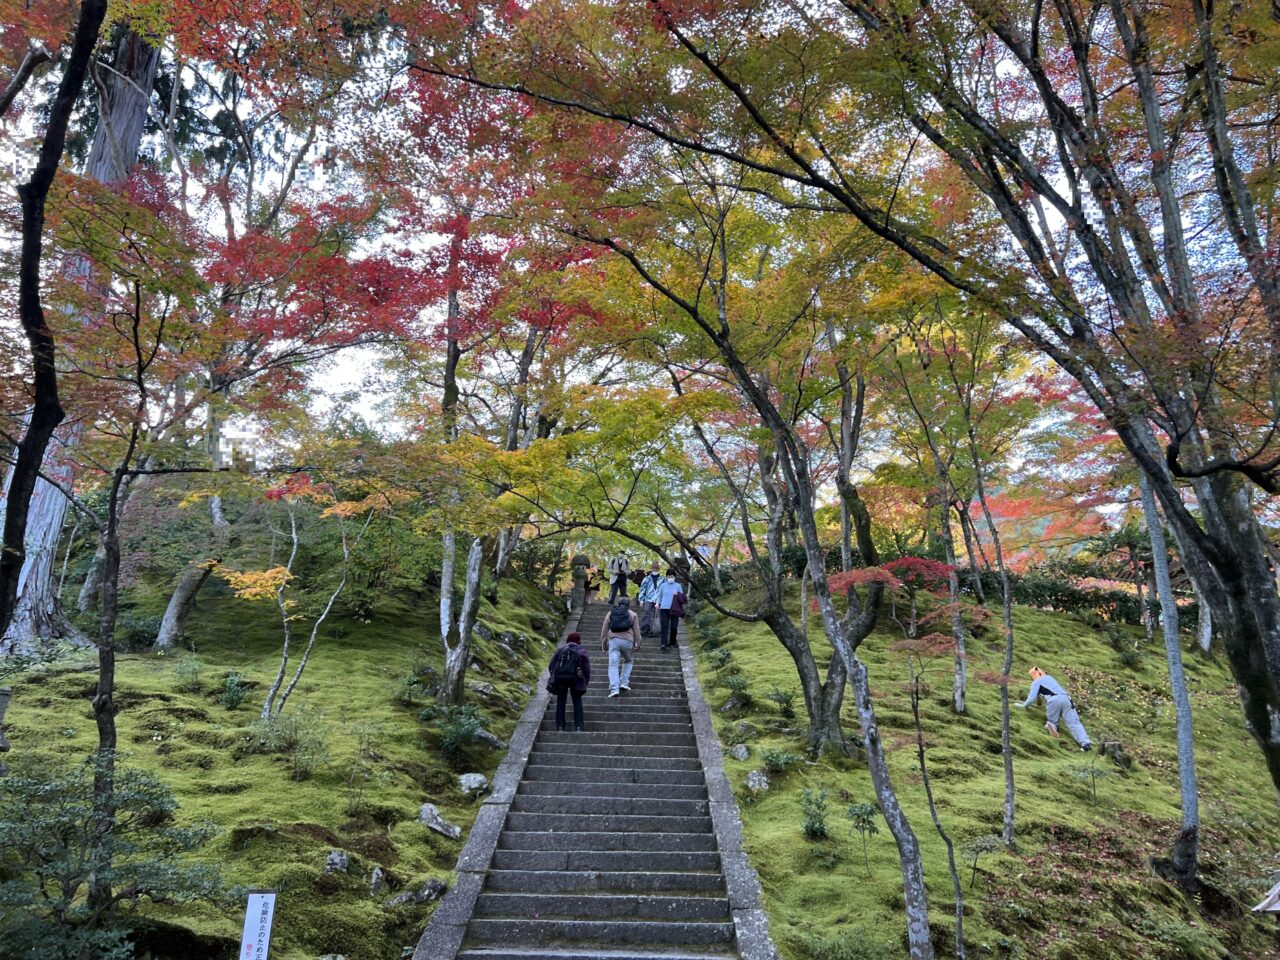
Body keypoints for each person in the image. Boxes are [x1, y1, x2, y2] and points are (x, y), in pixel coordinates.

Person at [1019, 667, 1092, 751]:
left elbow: (1031, 698)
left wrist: (1023, 706)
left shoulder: (1036, 682)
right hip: (1066, 699)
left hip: (1053, 700)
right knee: (1074, 722)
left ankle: (1051, 727)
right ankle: (1086, 743)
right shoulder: (1050, 678)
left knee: (1052, 720)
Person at [546, 632, 590, 731]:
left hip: (561, 679)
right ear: (579, 641)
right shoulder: (581, 651)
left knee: (561, 702)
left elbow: (551, 665)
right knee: (577, 702)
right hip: (576, 680)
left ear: (568, 640)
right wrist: (585, 681)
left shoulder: (561, 649)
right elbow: (586, 668)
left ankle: (560, 726)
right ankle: (579, 726)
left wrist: (554, 677)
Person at [600, 596, 640, 697]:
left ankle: (614, 689)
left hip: (614, 641)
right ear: (628, 605)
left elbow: (604, 630)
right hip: (628, 641)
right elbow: (637, 631)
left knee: (613, 665)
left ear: (618, 604)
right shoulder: (632, 614)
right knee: (628, 661)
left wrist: (604, 644)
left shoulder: (611, 613)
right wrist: (638, 643)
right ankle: (624, 683)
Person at [656, 571, 686, 650]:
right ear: (666, 577)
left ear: (674, 577)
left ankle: (672, 642)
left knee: (674, 627)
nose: (670, 578)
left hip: (675, 609)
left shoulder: (678, 586)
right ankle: (663, 643)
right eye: (668, 576)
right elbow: (659, 596)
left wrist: (678, 594)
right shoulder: (662, 585)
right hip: (664, 608)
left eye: (672, 576)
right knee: (664, 626)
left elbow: (682, 597)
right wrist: (657, 603)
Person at [637, 562, 663, 637]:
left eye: (656, 569)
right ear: (651, 569)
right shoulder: (646, 579)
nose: (655, 570)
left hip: (658, 599)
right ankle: (645, 629)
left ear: (658, 569)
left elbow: (663, 590)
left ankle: (655, 630)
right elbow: (642, 589)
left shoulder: (662, 579)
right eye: (653, 568)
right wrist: (641, 599)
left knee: (657, 614)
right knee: (646, 613)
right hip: (648, 598)